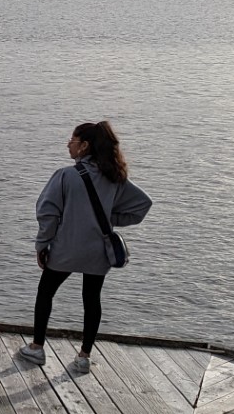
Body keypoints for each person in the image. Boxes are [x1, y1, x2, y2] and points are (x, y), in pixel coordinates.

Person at [15, 121, 151, 375]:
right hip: (97, 252)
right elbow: (142, 205)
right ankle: (84, 357)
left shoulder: (66, 175)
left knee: (45, 292)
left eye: (73, 140)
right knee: (92, 299)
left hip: (66, 249)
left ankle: (36, 348)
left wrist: (42, 244)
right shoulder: (115, 177)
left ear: (85, 146)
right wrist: (111, 219)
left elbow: (47, 213)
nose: (68, 144)